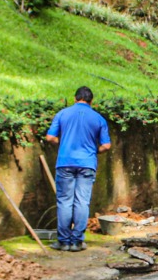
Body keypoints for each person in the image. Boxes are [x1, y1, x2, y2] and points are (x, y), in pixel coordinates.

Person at [44, 86, 111, 251]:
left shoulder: (62, 114)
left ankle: (63, 241)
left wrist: (62, 144)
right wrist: (94, 151)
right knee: (82, 201)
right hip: (87, 164)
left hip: (65, 162)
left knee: (65, 201)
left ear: (75, 98)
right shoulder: (98, 119)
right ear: (91, 101)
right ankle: (77, 242)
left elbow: (50, 137)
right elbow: (107, 145)